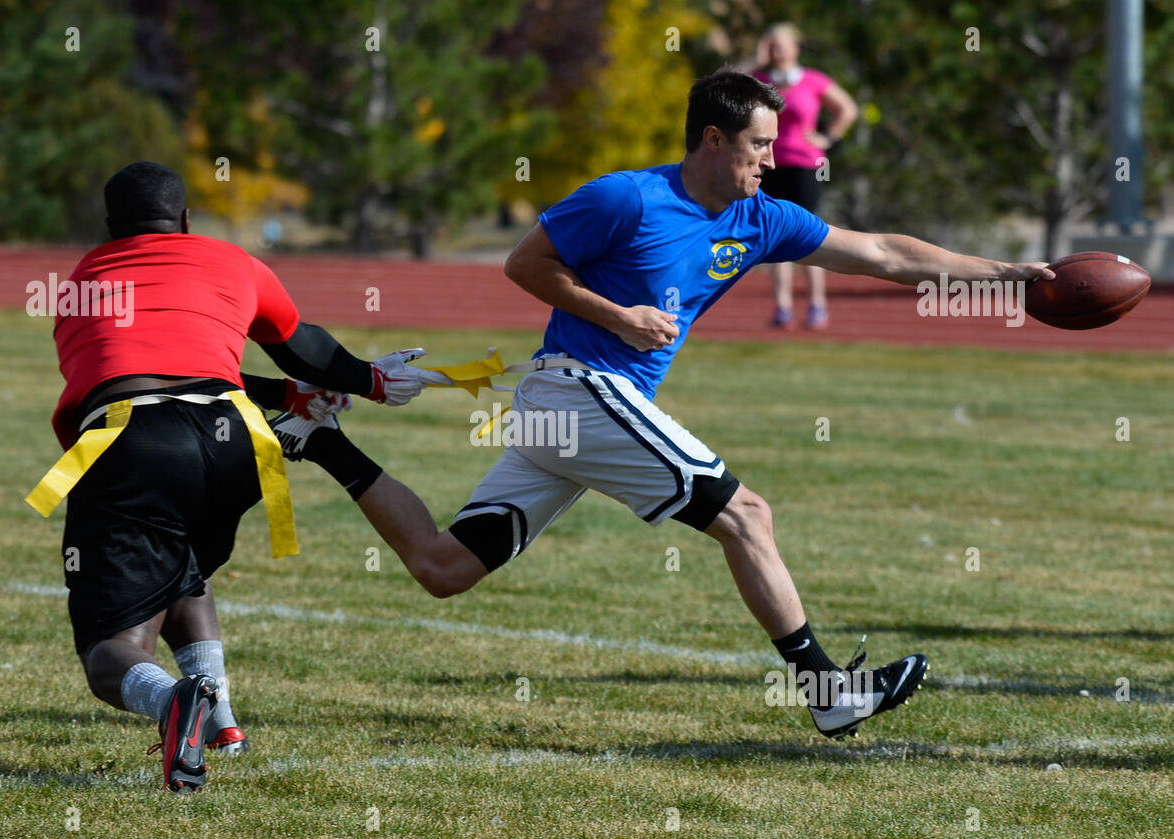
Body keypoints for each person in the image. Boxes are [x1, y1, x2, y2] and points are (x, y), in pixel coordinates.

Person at [274, 70, 1054, 740]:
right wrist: (618, 316)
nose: (772, 161)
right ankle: (827, 693)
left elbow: (886, 252)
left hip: (577, 409)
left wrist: (1010, 275)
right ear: (712, 140)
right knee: (748, 515)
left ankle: (319, 441)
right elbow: (525, 263)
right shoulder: (627, 198)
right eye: (759, 146)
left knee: (444, 569)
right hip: (577, 388)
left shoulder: (762, 217)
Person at [28, 161, 432, 792]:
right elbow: (296, 348)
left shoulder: (84, 279)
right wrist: (369, 380)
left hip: (131, 438)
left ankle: (172, 704)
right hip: (234, 438)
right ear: (186, 221)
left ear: (110, 230)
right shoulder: (231, 260)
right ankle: (221, 722)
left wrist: (304, 389)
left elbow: (140, 371)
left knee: (110, 651)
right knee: (183, 565)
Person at [750, 22, 858, 330]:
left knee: (808, 231)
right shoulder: (758, 81)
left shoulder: (812, 80)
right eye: (771, 44)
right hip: (769, 163)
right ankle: (783, 306)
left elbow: (847, 109)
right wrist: (756, 59)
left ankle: (817, 305)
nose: (777, 50)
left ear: (796, 48)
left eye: (782, 44)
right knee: (775, 233)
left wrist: (827, 138)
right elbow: (720, 84)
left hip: (806, 164)